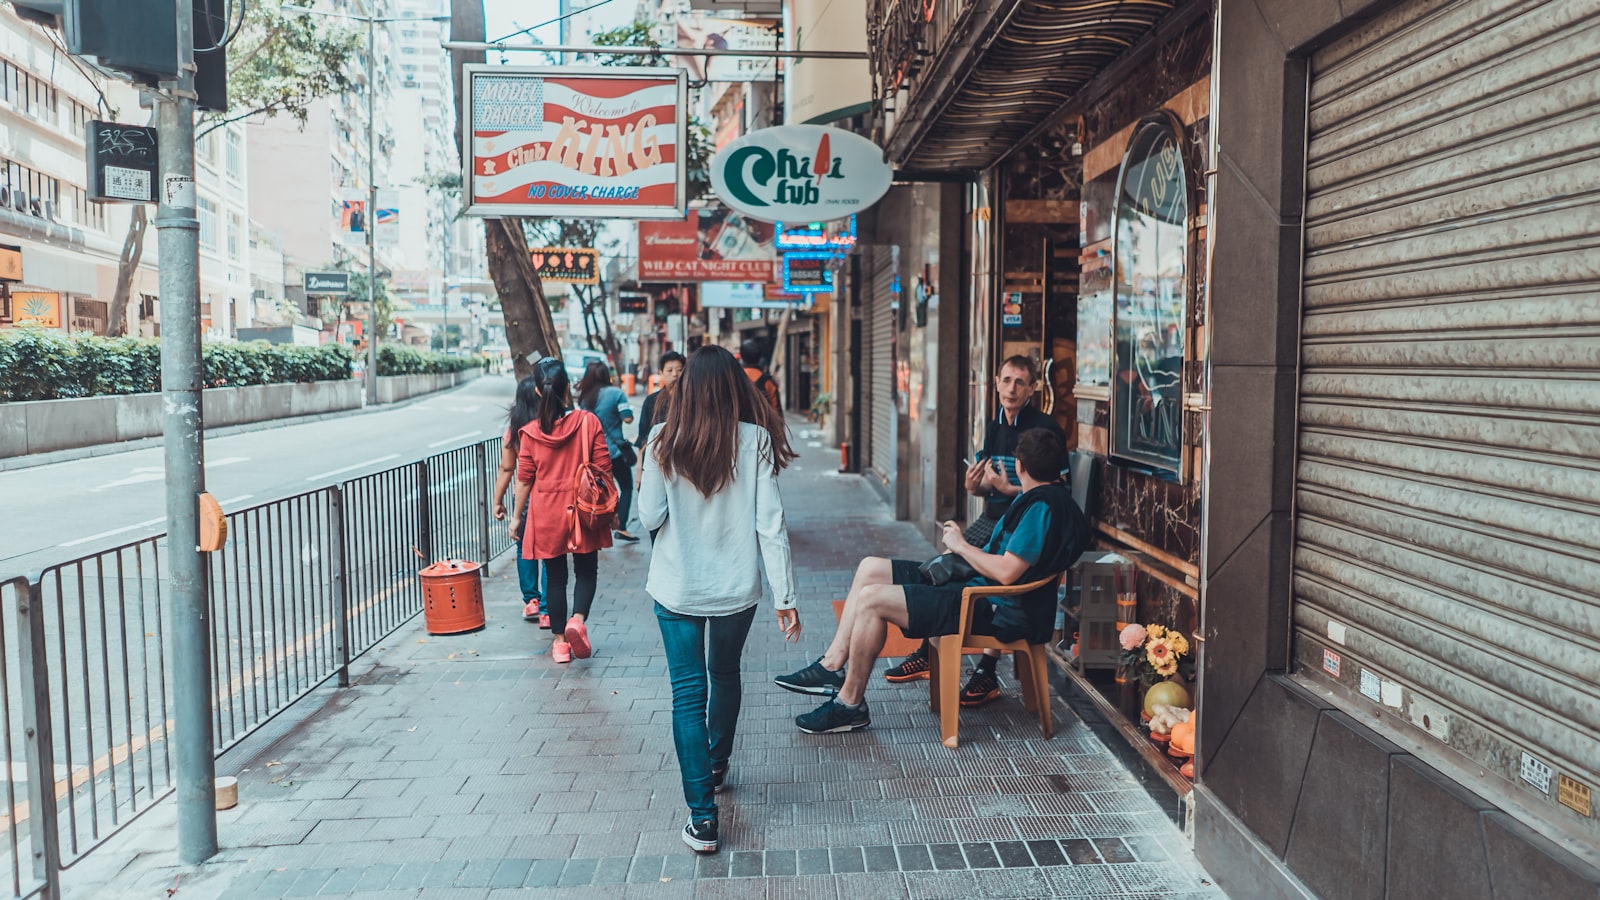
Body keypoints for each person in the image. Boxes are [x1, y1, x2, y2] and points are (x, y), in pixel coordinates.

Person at [774, 428, 1088, 734]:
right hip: (979, 593)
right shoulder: (1047, 499)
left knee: (871, 600)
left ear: (1019, 466)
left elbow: (1007, 572)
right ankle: (832, 665)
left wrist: (961, 545)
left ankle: (850, 704)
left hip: (985, 607)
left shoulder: (1041, 508)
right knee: (870, 568)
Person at [638, 345, 801, 855]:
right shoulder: (754, 441)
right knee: (725, 674)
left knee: (688, 695)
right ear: (734, 386)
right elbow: (770, 525)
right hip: (736, 590)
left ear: (685, 387)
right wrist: (785, 597)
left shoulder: (662, 439)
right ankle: (716, 764)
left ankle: (703, 820)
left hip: (677, 587)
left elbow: (647, 517)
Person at [883, 354, 1065, 700]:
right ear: (995, 383)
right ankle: (928, 647)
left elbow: (1056, 490)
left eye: (1020, 382)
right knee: (947, 566)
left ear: (1032, 389)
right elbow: (984, 485)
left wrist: (1011, 490)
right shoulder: (994, 425)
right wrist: (973, 487)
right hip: (991, 518)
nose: (1011, 389)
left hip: (1023, 522)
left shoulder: (1044, 429)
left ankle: (986, 668)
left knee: (979, 570)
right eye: (1006, 380)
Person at [509, 358, 614, 663]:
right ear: (568, 387)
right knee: (586, 570)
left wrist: (517, 518)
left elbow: (525, 480)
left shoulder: (528, 433)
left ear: (539, 392)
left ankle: (559, 644)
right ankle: (576, 621)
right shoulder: (587, 422)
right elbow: (604, 468)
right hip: (584, 508)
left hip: (546, 511)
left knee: (554, 578)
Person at [493, 376, 545, 624]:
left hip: (524, 499)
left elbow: (506, 468)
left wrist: (497, 500)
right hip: (552, 495)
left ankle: (532, 601)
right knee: (552, 552)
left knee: (525, 547)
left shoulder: (515, 430)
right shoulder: (553, 424)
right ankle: (548, 609)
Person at [576, 360, 640, 542]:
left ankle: (597, 522)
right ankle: (621, 526)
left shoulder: (585, 398)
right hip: (614, 452)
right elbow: (627, 419)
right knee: (625, 487)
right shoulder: (616, 394)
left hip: (591, 452)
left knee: (596, 489)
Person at [634, 350, 686, 458]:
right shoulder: (651, 401)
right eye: (669, 370)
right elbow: (643, 439)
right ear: (661, 373)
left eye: (680, 370)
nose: (675, 374)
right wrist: (640, 472)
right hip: (658, 460)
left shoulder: (693, 400)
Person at [739, 337, 782, 415]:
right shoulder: (767, 381)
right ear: (759, 357)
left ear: (741, 356)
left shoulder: (733, 378)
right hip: (764, 424)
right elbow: (776, 410)